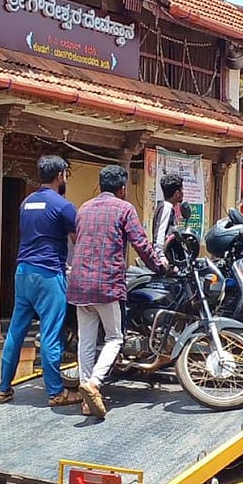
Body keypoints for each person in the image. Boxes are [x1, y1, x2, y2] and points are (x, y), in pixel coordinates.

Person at [68, 165, 167, 419]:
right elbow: (141, 243)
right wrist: (159, 266)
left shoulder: (84, 208)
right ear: (122, 189)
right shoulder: (124, 208)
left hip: (79, 283)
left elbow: (77, 240)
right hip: (107, 283)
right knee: (114, 338)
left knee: (86, 341)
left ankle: (86, 400)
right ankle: (94, 384)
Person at [0, 155, 77, 406]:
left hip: (23, 273)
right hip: (48, 275)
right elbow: (78, 239)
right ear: (60, 175)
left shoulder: (26, 203)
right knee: (51, 333)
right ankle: (56, 392)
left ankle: (4, 388)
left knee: (15, 332)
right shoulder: (63, 206)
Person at [152, 172, 185, 253]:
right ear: (177, 193)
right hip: (165, 257)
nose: (183, 193)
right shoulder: (166, 208)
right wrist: (160, 255)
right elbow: (160, 232)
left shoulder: (165, 206)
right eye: (182, 190)